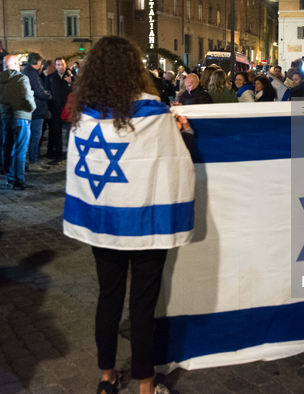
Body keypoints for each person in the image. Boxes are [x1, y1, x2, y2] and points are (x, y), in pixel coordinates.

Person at [65, 35, 196, 394]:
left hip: (104, 222)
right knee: (143, 303)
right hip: (145, 222)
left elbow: (83, 167)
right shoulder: (154, 113)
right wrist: (183, 132)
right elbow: (171, 159)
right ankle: (145, 383)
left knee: (108, 297)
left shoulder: (84, 114)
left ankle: (107, 377)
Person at [0, 55, 36, 190]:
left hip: (5, 116)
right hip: (21, 116)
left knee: (7, 147)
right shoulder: (21, 78)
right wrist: (32, 108)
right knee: (20, 149)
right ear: (16, 63)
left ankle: (10, 178)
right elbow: (27, 96)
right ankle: (19, 180)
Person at [21, 52, 52, 172]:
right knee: (35, 137)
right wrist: (48, 95)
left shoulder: (28, 72)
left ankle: (36, 159)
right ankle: (34, 161)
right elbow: (39, 92)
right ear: (38, 63)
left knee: (35, 137)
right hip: (37, 109)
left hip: (33, 109)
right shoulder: (32, 75)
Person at [45, 57, 74, 163]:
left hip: (68, 109)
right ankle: (58, 153)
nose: (60, 67)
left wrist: (71, 83)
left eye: (62, 64)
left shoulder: (71, 76)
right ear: (55, 66)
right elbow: (47, 92)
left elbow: (76, 92)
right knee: (56, 132)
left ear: (66, 65)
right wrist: (48, 109)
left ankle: (70, 152)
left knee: (69, 132)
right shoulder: (50, 77)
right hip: (55, 108)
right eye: (58, 65)